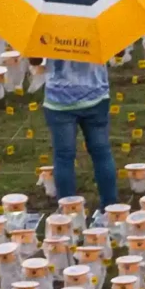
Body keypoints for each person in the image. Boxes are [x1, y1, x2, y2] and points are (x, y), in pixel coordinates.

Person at [40, 54, 117, 209]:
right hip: (95, 95)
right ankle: (112, 211)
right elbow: (119, 52)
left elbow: (35, 60)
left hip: (59, 100)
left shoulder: (50, 29)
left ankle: (68, 213)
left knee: (63, 158)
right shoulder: (97, 28)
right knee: (102, 154)